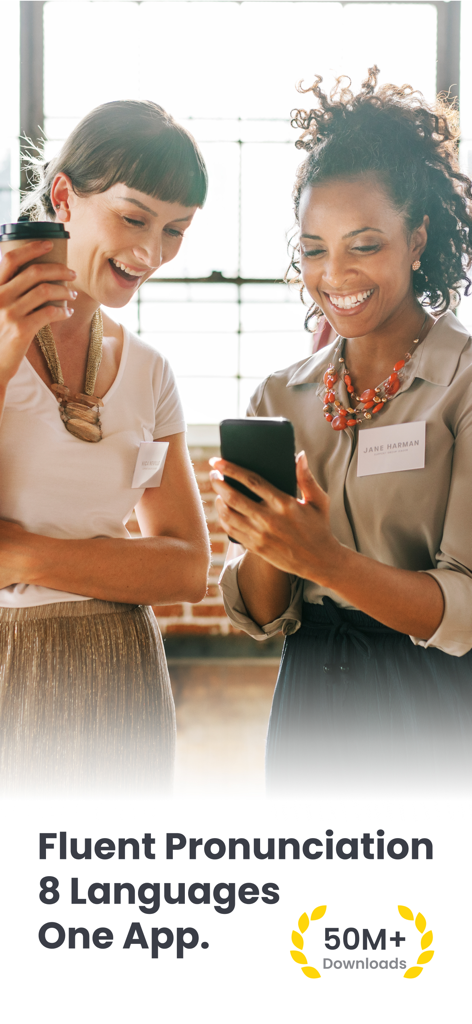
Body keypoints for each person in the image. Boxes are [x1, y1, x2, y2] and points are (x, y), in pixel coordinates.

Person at [210, 68, 472, 795]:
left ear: (418, 238)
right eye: (314, 248)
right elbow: (262, 614)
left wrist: (322, 558)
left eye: (364, 245)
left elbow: (466, 610)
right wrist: (269, 542)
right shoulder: (279, 396)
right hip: (310, 703)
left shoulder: (465, 386)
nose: (336, 274)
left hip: (434, 706)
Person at [0, 100, 211, 793]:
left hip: (120, 671)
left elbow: (184, 569)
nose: (151, 253)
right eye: (134, 217)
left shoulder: (150, 371)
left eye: (176, 229)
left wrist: (24, 555)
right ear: (64, 196)